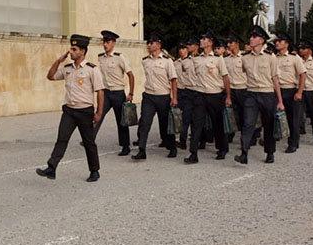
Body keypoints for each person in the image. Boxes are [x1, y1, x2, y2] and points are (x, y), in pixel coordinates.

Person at [36, 34, 104, 181]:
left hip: (85, 111)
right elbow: (51, 76)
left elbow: (100, 91)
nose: (71, 52)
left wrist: (99, 113)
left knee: (88, 142)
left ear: (82, 51)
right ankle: (51, 168)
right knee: (62, 139)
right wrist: (58, 61)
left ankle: (94, 171)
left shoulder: (92, 69)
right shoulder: (67, 68)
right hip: (69, 111)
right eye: (71, 48)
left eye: (74, 49)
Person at [235, 25, 284, 164]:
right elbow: (245, 72)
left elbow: (275, 79)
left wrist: (280, 101)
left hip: (267, 94)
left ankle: (270, 152)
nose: (251, 39)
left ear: (261, 40)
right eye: (251, 36)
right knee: (248, 123)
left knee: (268, 124)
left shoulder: (270, 57)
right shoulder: (245, 58)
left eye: (254, 37)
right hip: (251, 94)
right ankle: (244, 153)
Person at [185, 33, 231, 163]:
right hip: (200, 94)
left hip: (215, 94)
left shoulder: (218, 59)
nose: (201, 41)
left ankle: (222, 148)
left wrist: (228, 96)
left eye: (204, 39)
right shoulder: (196, 59)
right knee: (196, 124)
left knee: (217, 124)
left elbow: (225, 78)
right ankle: (193, 153)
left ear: (210, 43)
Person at [131, 33, 178, 161]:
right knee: (144, 122)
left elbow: (173, 80)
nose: (149, 45)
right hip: (149, 96)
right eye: (148, 43)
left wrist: (174, 98)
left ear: (158, 45)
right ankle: (142, 150)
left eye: (151, 43)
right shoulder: (145, 61)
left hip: (163, 96)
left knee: (165, 124)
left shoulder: (167, 61)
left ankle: (172, 146)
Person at [94, 29, 135, 156]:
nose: (105, 44)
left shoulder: (119, 57)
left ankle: (125, 146)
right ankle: (89, 139)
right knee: (98, 115)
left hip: (118, 93)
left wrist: (131, 93)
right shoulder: (101, 58)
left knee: (121, 121)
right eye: (104, 42)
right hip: (106, 93)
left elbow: (130, 75)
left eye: (107, 42)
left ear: (113, 43)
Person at [274, 33, 305, 153]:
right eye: (276, 41)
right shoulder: (273, 58)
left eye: (280, 41)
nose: (277, 43)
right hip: (276, 90)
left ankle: (293, 142)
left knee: (293, 119)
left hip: (290, 90)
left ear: (286, 44)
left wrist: (299, 92)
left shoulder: (294, 58)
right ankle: (273, 138)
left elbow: (302, 74)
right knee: (274, 116)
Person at [224, 34, 248, 141]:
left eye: (231, 42)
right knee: (230, 113)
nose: (228, 45)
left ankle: (245, 137)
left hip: (243, 89)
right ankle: (230, 134)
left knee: (243, 114)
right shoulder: (226, 59)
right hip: (230, 89)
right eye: (228, 43)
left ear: (237, 43)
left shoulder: (245, 57)